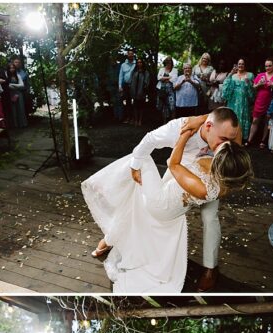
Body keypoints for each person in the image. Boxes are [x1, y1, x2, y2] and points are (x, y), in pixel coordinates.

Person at [83, 108, 251, 293]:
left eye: (230, 139)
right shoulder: (179, 127)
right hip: (181, 172)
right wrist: (135, 164)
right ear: (209, 127)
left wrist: (196, 129)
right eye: (223, 140)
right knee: (150, 210)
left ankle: (210, 269)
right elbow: (149, 140)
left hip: (212, 177)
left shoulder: (228, 143)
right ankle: (114, 237)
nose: (229, 145)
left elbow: (228, 124)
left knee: (209, 217)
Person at [247, 59, 273, 148]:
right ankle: (249, 140)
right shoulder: (261, 75)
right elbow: (254, 87)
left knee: (267, 120)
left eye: (269, 66)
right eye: (266, 66)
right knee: (255, 120)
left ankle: (263, 140)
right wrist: (259, 85)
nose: (267, 68)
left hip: (271, 100)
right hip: (260, 100)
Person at [219, 60, 253, 142]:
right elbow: (226, 87)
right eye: (239, 64)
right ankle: (231, 135)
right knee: (233, 117)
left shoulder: (250, 75)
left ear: (245, 65)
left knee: (243, 116)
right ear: (237, 65)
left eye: (243, 64)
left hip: (244, 100)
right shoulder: (233, 76)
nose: (241, 65)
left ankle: (242, 137)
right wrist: (230, 74)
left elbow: (252, 89)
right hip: (233, 101)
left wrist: (248, 83)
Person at [129, 58, 151, 127]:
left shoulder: (145, 72)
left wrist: (144, 89)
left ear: (142, 63)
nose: (139, 64)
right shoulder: (134, 71)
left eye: (140, 62)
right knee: (135, 106)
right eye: (138, 62)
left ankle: (140, 120)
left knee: (141, 107)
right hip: (134, 92)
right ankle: (135, 120)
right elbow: (131, 80)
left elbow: (147, 82)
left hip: (142, 92)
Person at [155, 57, 177, 123]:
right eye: (167, 62)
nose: (168, 64)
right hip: (161, 91)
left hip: (170, 91)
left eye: (169, 62)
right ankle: (164, 123)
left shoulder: (175, 70)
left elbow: (174, 79)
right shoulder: (162, 69)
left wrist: (164, 78)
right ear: (165, 63)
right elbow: (159, 78)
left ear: (172, 63)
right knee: (162, 107)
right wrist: (169, 77)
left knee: (172, 107)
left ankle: (172, 123)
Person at [5, 61, 27, 129]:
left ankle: (22, 124)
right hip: (10, 94)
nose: (12, 69)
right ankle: (14, 125)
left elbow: (22, 85)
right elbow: (7, 86)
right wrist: (15, 86)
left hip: (18, 94)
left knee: (20, 109)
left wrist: (12, 84)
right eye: (10, 68)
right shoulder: (6, 75)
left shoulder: (17, 75)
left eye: (13, 68)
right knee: (13, 110)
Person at [118, 48, 136, 123]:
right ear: (127, 55)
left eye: (132, 54)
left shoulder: (136, 64)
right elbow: (121, 76)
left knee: (135, 102)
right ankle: (128, 118)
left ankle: (135, 118)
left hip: (134, 86)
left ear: (133, 55)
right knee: (127, 102)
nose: (130, 55)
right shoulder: (123, 65)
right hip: (126, 85)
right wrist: (120, 86)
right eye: (129, 54)